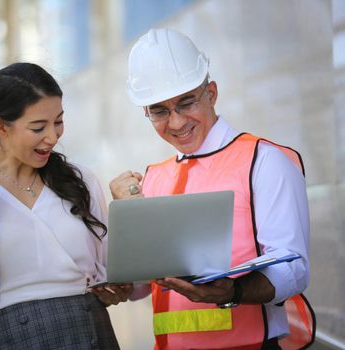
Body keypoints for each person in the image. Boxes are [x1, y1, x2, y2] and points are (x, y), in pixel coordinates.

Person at [110, 28, 315, 349]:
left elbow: (295, 269)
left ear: (212, 93)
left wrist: (234, 292)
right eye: (160, 110)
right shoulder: (152, 177)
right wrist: (125, 231)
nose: (176, 123)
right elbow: (142, 287)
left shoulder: (263, 160)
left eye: (186, 102)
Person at [0, 62, 131, 349]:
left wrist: (117, 284)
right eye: (38, 127)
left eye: (58, 121)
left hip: (92, 331)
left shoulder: (80, 179)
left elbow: (114, 275)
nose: (53, 137)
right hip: (17, 338)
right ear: (0, 127)